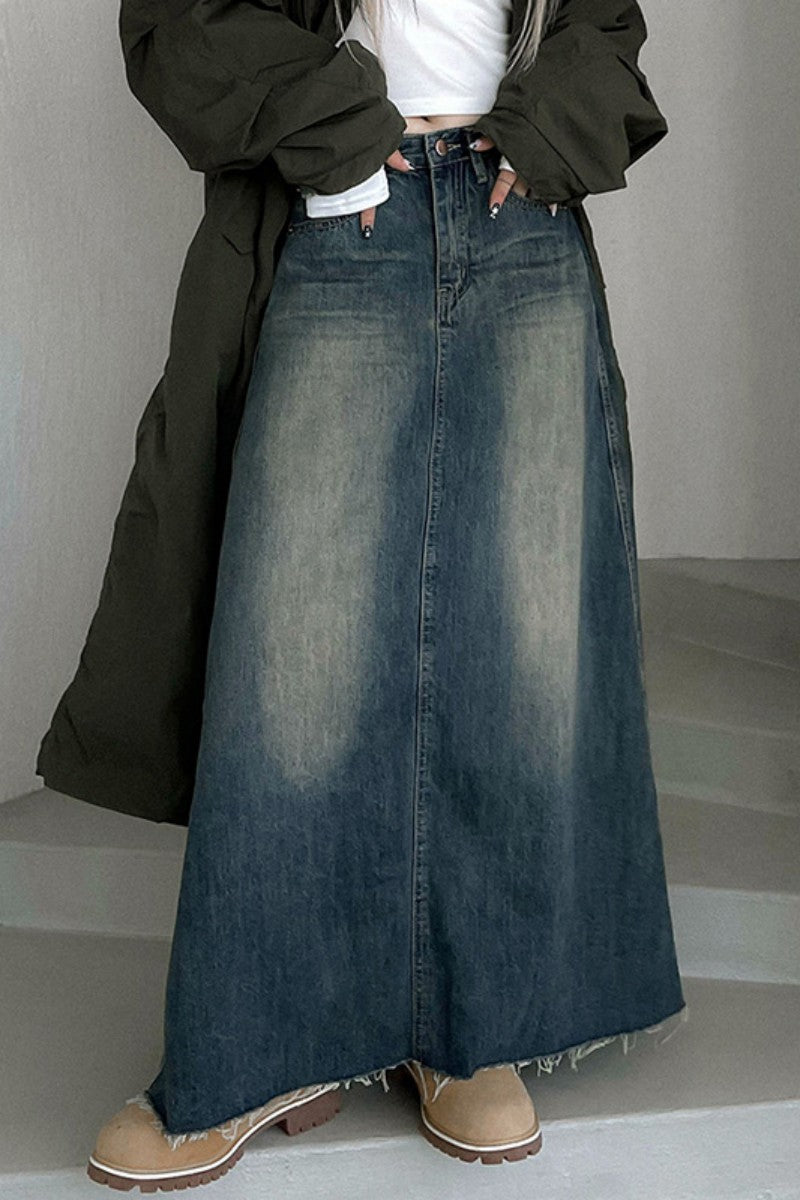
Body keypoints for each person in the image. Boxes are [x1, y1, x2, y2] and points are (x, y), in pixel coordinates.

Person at [45, 0, 687, 1190]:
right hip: (341, 210)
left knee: (518, 645)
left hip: (520, 218)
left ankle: (466, 1028)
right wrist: (338, 142)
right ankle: (261, 1048)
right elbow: (178, 22)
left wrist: (544, 137)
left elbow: (601, 23)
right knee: (299, 657)